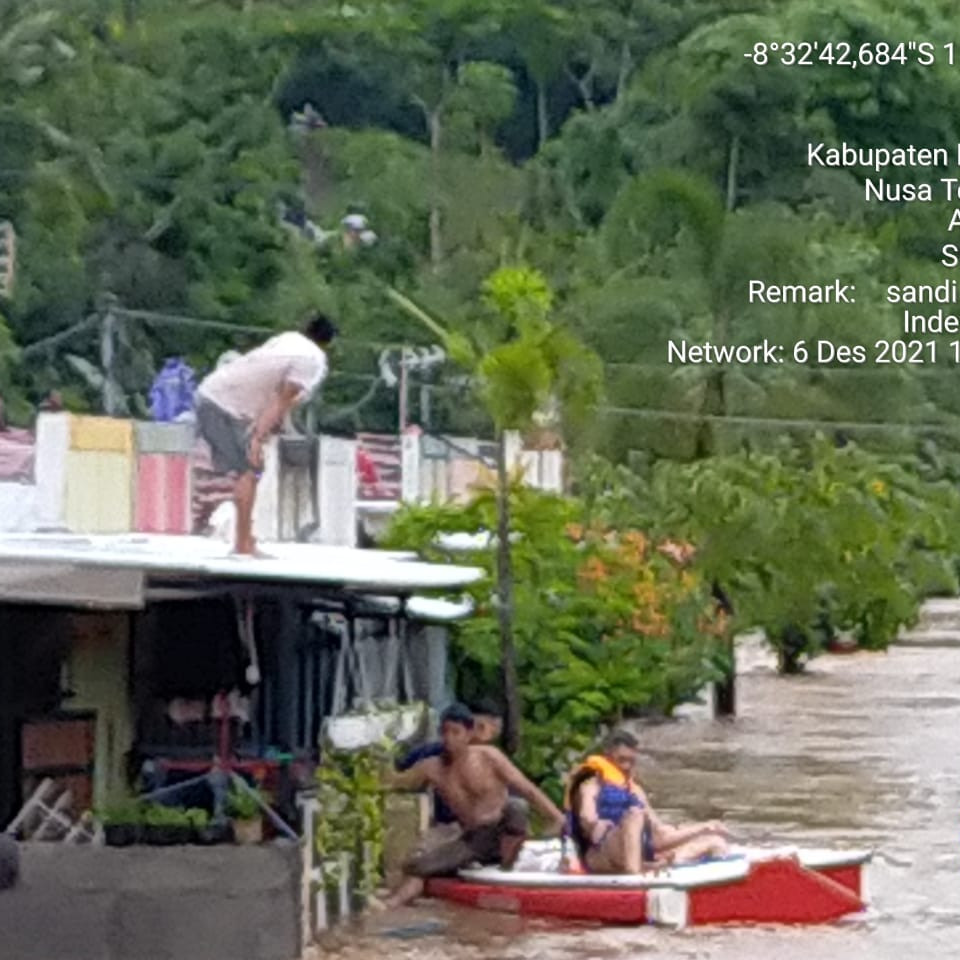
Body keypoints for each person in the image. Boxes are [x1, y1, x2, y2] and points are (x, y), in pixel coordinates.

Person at [382, 703, 564, 909]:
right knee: (417, 866)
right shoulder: (431, 767)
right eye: (445, 732)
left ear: (469, 734)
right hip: (474, 840)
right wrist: (376, 761)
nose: (449, 738)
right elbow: (395, 782)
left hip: (504, 833)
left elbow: (527, 789)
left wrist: (557, 817)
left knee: (516, 806)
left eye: (456, 732)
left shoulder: (488, 757)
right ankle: (392, 903)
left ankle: (510, 868)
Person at [194, 312, 337, 555]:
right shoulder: (312, 360)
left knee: (250, 471)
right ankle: (243, 544)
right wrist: (258, 438)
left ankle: (245, 539)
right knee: (249, 471)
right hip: (223, 405)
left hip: (215, 394)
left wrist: (259, 429)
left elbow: (266, 386)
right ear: (328, 343)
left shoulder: (288, 339)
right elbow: (282, 401)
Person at [566, 730, 729, 874]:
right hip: (602, 854)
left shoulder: (634, 789)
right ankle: (636, 875)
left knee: (715, 841)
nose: (627, 766)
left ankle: (665, 861)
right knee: (635, 815)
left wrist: (705, 827)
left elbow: (660, 834)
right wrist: (596, 824)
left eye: (631, 761)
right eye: (622, 760)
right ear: (607, 756)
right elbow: (587, 816)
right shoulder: (593, 783)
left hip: (638, 851)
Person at [396, 700, 503, 829]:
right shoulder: (430, 754)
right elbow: (402, 779)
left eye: (494, 732)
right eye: (480, 727)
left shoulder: (492, 763)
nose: (485, 737)